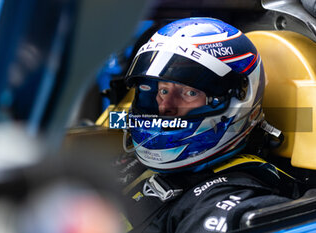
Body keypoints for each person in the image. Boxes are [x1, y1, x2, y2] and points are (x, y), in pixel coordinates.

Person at [114, 17, 299, 233]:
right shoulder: (131, 162)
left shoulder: (230, 201)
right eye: (163, 91)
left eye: (189, 93)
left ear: (238, 99)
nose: (165, 108)